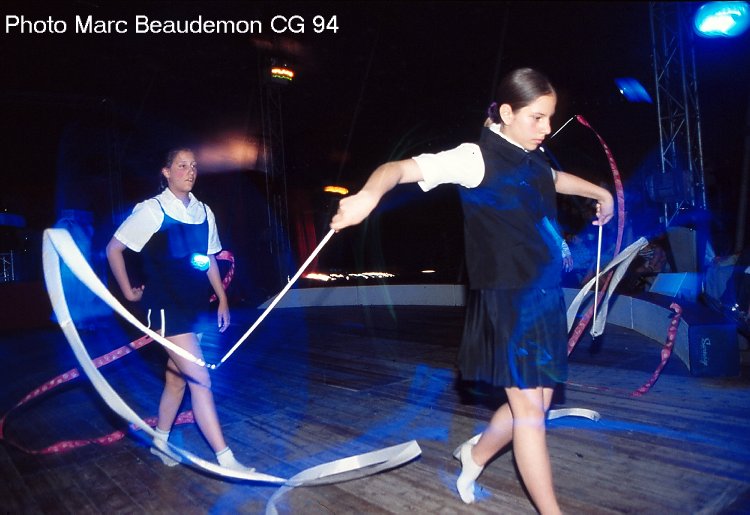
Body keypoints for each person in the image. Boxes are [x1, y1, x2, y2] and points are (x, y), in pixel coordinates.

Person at [330, 68, 614, 513]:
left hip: (543, 296)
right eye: (537, 117)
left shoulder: (534, 156)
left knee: (533, 406)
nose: (546, 128)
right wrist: (367, 195)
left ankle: (475, 455)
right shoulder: (473, 158)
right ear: (507, 112)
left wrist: (599, 192)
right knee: (530, 415)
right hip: (506, 301)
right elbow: (398, 169)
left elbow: (554, 181)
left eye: (549, 117)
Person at [106, 148, 251, 472]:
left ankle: (160, 442)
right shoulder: (153, 210)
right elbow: (114, 248)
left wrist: (222, 298)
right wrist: (128, 291)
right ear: (167, 172)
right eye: (182, 165)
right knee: (200, 379)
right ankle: (226, 460)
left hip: (193, 307)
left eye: (194, 166)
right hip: (165, 309)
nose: (190, 171)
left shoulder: (203, 211)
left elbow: (209, 257)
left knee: (177, 381)